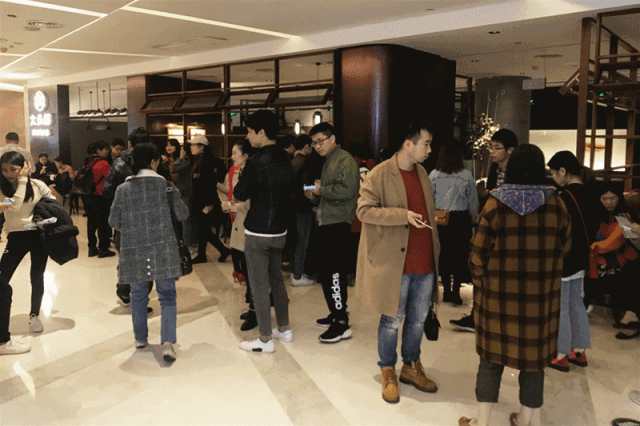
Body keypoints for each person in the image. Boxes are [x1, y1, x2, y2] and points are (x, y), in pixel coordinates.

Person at [459, 144, 571, 426]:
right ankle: (525, 420)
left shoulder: (495, 204)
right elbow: (565, 247)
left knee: (490, 361)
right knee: (534, 365)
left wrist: (481, 283)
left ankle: (482, 422)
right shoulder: (556, 205)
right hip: (540, 303)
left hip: (497, 301)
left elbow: (477, 254)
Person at [356, 119, 441, 403]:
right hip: (395, 262)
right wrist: (401, 215)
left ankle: (411, 366)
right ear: (408, 144)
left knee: (418, 319)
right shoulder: (379, 174)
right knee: (392, 320)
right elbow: (363, 211)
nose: (429, 149)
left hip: (425, 260)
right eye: (426, 144)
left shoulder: (422, 173)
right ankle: (388, 369)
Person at [108, 143, 189, 362]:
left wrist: (134, 228)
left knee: (138, 295)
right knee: (167, 296)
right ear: (154, 162)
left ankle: (140, 339)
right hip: (164, 249)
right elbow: (182, 214)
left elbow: (113, 221)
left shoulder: (123, 189)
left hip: (135, 250)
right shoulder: (167, 187)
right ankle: (168, 342)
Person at [234, 109, 293, 353]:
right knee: (277, 279)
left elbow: (239, 194)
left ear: (261, 132)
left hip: (258, 231)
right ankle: (284, 329)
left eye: (249, 131)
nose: (247, 136)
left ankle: (265, 339)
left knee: (259, 285)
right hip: (280, 231)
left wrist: (242, 173)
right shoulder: (285, 157)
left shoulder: (255, 162)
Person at [450, 128, 518, 332]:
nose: (492, 151)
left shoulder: (517, 172)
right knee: (483, 272)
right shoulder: (494, 169)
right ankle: (477, 316)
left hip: (509, 230)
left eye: (497, 148)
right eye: (491, 147)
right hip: (492, 226)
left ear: (510, 150)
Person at [306, 122, 360, 343]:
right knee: (327, 273)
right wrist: (315, 195)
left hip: (337, 224)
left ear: (332, 138)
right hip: (326, 221)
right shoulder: (329, 160)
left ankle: (341, 323)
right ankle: (336, 312)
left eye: (320, 141)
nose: (317, 146)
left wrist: (322, 191)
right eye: (314, 143)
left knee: (335, 274)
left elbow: (349, 190)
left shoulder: (345, 160)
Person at [103, 127, 168, 308]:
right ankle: (139, 298)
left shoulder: (119, 163)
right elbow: (167, 187)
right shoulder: (157, 162)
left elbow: (108, 190)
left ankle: (125, 292)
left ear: (130, 143)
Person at [0, 152, 56, 355]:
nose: (9, 174)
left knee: (37, 276)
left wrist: (41, 220)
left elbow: (54, 207)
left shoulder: (38, 185)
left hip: (38, 236)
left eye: (13, 169)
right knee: (3, 277)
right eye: (4, 170)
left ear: (24, 167)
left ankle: (34, 315)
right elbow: (14, 207)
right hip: (16, 237)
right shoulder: (3, 188)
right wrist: (23, 180)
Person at [547, 151, 596, 371]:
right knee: (577, 304)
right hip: (582, 257)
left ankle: (560, 354)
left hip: (565, 258)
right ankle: (579, 351)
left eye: (553, 173)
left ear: (563, 171)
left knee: (561, 306)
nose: (553, 178)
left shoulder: (564, 197)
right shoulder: (591, 194)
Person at [589, 181, 640, 340]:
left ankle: (631, 316)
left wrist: (591, 249)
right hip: (606, 258)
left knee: (628, 272)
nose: (608, 202)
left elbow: (615, 242)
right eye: (604, 198)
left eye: (612, 198)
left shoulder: (624, 216)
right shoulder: (598, 214)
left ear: (620, 198)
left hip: (623, 258)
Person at [429, 140, 478, 305]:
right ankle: (456, 291)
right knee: (460, 256)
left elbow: (429, 199)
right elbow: (472, 202)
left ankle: (446, 291)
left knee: (443, 255)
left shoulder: (434, 175)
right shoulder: (466, 175)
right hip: (461, 219)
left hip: (441, 218)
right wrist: (474, 221)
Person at [220, 140, 257, 331]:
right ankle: (251, 306)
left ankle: (255, 309)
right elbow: (233, 193)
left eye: (235, 153)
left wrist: (238, 206)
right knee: (245, 265)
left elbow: (255, 198)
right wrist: (229, 204)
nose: (232, 156)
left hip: (249, 222)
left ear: (245, 155)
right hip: (238, 221)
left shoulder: (252, 173)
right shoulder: (236, 172)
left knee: (252, 269)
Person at [188, 135, 231, 264]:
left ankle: (217, 252)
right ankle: (207, 254)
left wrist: (210, 204)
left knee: (204, 230)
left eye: (194, 145)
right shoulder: (198, 160)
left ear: (202, 147)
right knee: (204, 230)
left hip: (205, 203)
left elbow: (210, 185)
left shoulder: (206, 162)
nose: (191, 147)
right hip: (199, 202)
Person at [290, 134, 316, 286]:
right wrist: (314, 202)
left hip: (291, 207)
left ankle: (295, 271)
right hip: (303, 207)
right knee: (302, 241)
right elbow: (307, 187)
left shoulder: (292, 162)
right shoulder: (306, 163)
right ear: (306, 147)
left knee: (295, 241)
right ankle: (298, 276)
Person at [83, 140, 114, 258]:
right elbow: (110, 178)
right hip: (101, 196)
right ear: (99, 150)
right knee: (102, 223)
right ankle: (103, 249)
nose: (107, 151)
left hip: (88, 196)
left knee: (91, 223)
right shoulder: (103, 163)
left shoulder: (88, 162)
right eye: (105, 149)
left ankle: (92, 248)